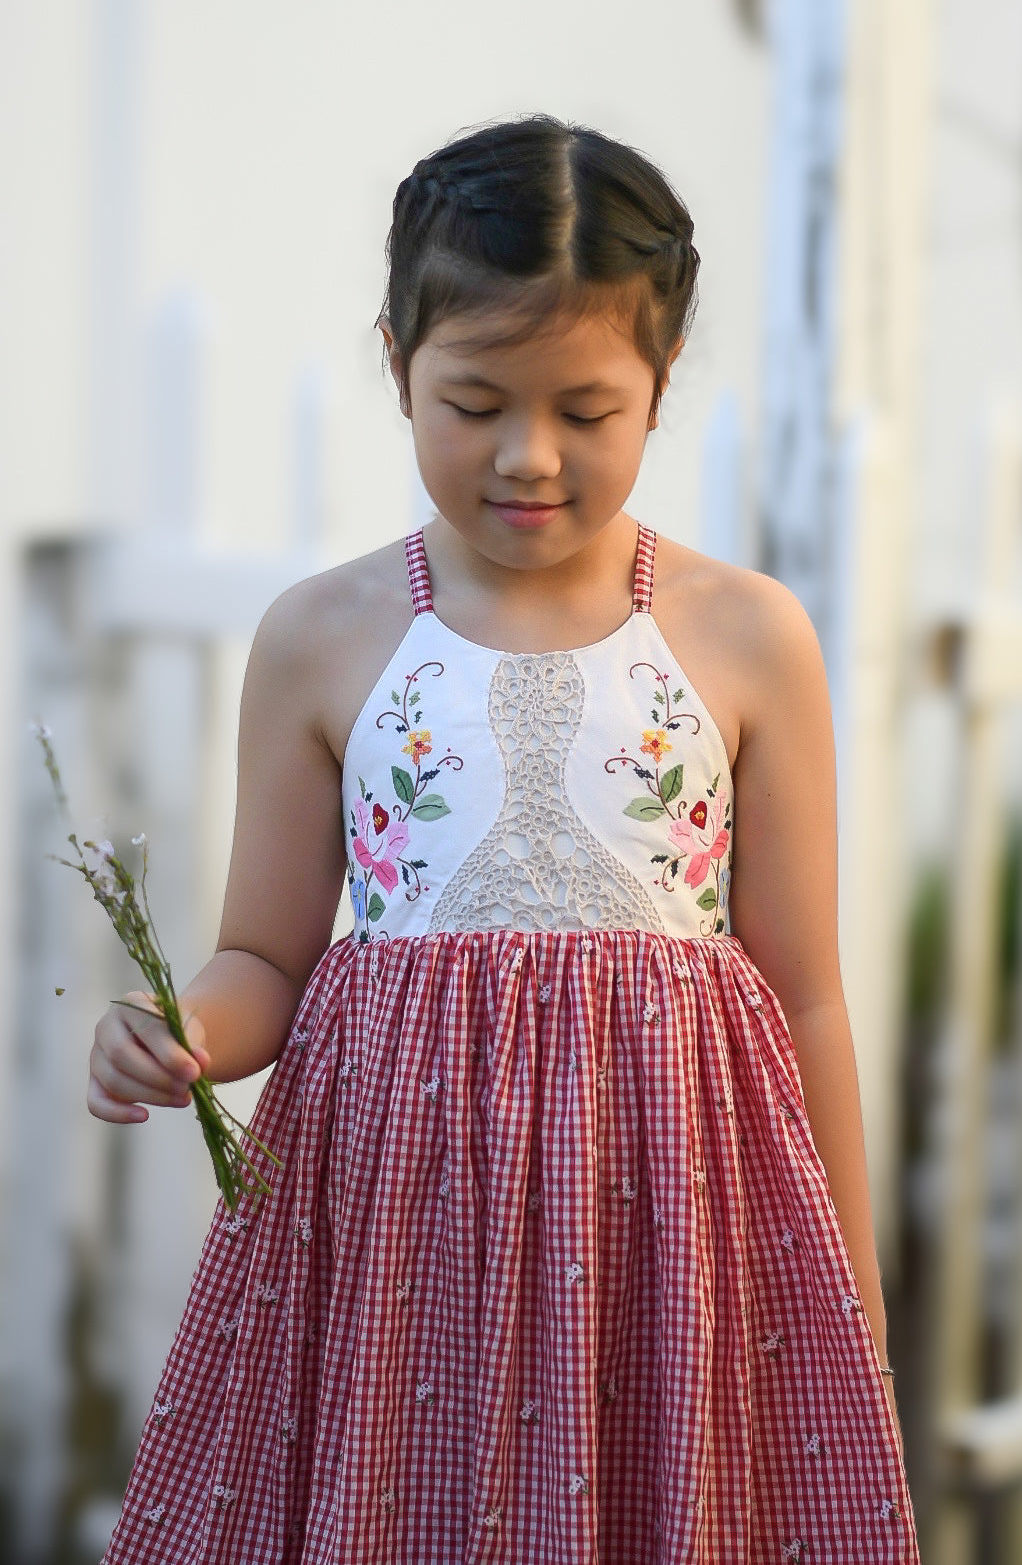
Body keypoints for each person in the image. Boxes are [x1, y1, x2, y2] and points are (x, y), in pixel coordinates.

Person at [90, 114, 919, 1562]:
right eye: (473, 402)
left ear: (659, 389)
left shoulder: (747, 638)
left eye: (585, 411)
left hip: (670, 1242)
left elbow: (803, 996)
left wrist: (849, 1292)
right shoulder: (324, 639)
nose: (527, 457)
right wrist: (182, 1029)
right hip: (408, 1242)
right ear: (396, 357)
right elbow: (264, 960)